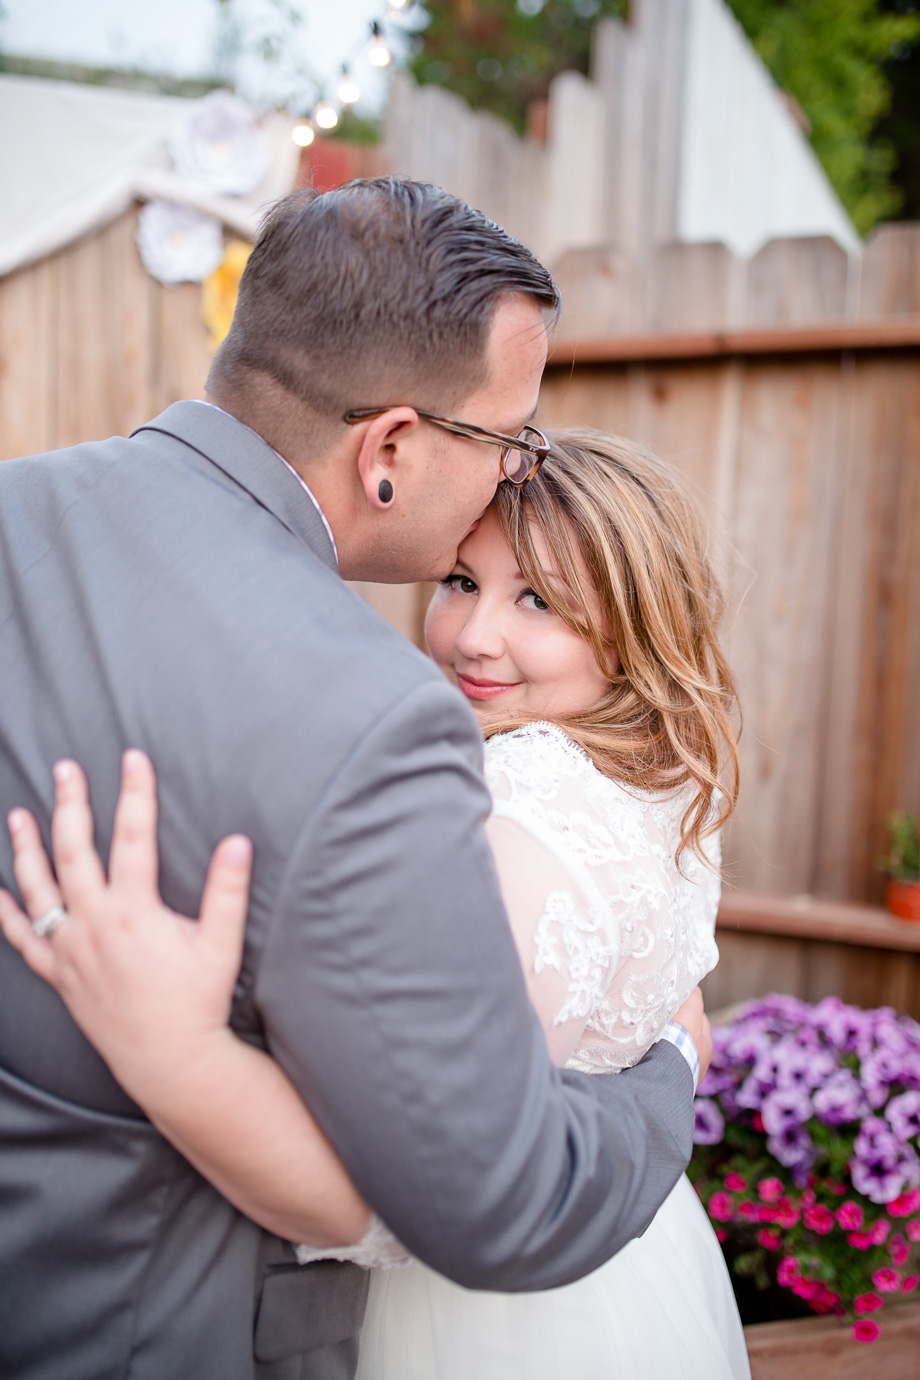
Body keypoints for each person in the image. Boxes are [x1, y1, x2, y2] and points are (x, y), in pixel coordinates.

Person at [0, 180, 707, 1380]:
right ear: (388, 448)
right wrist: (670, 1078)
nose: (514, 473)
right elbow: (499, 1204)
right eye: (507, 439)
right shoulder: (366, 719)